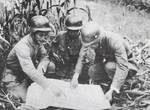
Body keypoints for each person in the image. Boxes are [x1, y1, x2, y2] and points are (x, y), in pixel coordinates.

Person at [1, 15, 64, 103]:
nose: (43, 38)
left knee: (51, 66)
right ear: (33, 33)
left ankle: (36, 84)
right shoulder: (23, 46)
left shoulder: (37, 41)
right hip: (14, 76)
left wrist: (40, 70)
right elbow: (29, 70)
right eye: (40, 35)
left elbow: (45, 57)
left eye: (45, 35)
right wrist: (49, 86)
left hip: (27, 74)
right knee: (27, 100)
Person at [71, 21, 136, 101]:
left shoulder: (114, 41)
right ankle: (108, 82)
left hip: (127, 66)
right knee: (92, 70)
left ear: (99, 38)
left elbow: (123, 66)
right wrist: (76, 75)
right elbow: (82, 56)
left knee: (109, 67)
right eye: (89, 45)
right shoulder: (89, 40)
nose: (92, 47)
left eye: (93, 44)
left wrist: (113, 89)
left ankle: (123, 83)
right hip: (111, 64)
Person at [54, 14, 84, 79]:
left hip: (76, 64)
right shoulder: (61, 35)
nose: (72, 33)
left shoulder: (83, 39)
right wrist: (54, 54)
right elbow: (53, 45)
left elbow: (85, 58)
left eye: (75, 31)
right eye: (70, 31)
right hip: (63, 64)